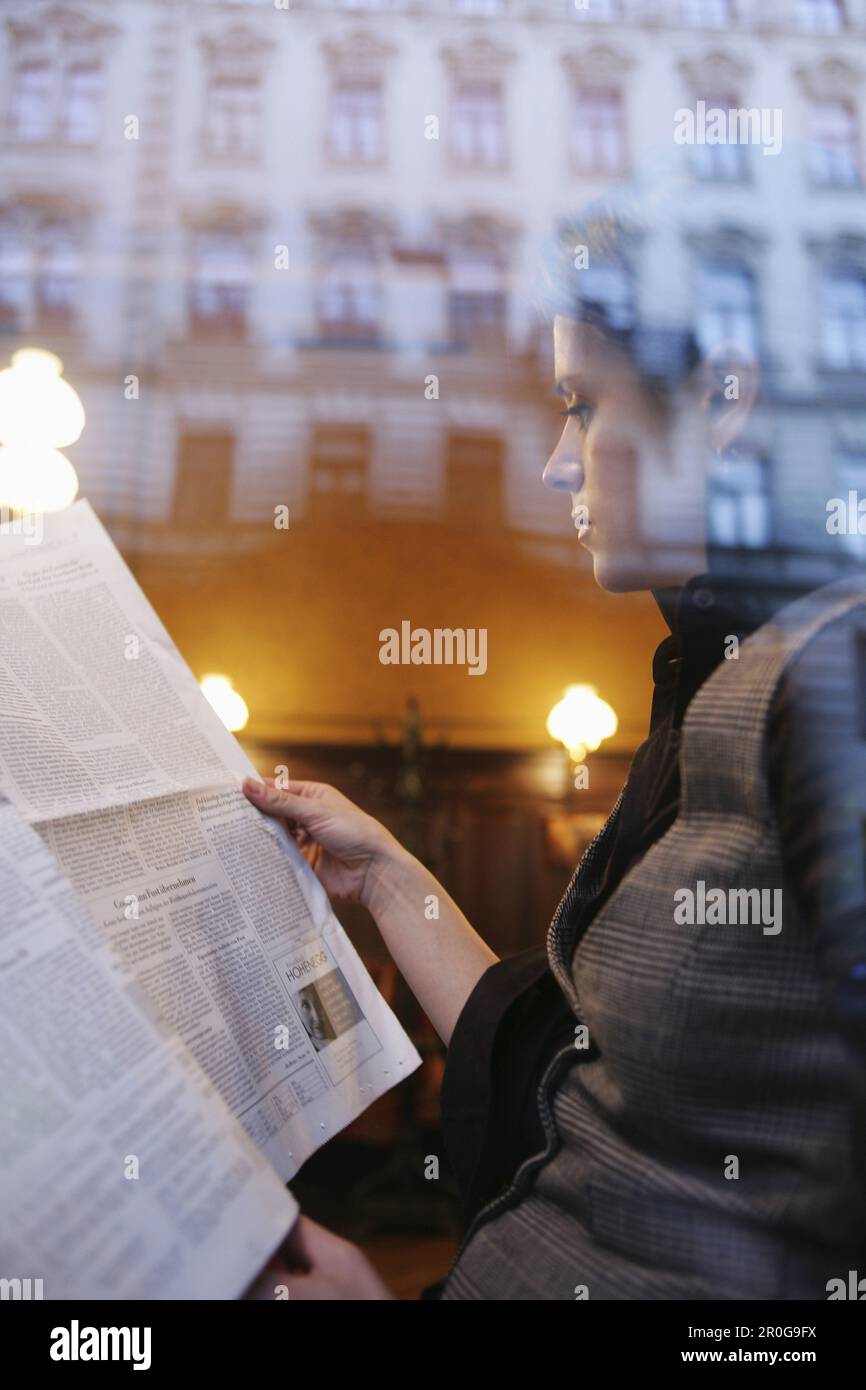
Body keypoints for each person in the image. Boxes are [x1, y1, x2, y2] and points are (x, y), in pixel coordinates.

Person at [243, 153, 866, 1300]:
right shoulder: (725, 670)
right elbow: (587, 1084)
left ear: (725, 400)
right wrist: (388, 878)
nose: (552, 461)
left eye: (580, 405)